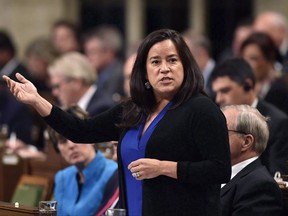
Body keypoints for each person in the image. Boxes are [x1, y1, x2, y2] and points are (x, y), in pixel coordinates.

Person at [3, 28, 231, 216]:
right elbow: (81, 131)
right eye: (155, 62)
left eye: (172, 60)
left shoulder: (201, 109)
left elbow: (220, 170)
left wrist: (164, 168)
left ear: (185, 66)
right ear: (144, 72)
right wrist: (37, 101)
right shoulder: (133, 108)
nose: (165, 69)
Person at [211, 58, 288, 175]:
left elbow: (277, 176)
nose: (218, 99)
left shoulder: (278, 123)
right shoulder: (218, 118)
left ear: (248, 85)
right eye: (216, 92)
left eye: (225, 91)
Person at [47, 106, 118, 216]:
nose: (71, 145)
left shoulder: (114, 174)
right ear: (57, 149)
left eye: (75, 138)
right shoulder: (62, 177)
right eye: (63, 141)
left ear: (91, 138)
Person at [220, 104, 284, 216]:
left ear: (246, 142)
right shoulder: (215, 173)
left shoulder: (260, 186)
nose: (213, 136)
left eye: (221, 130)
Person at [48, 52, 114, 116]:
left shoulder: (102, 109)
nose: (54, 93)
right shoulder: (70, 109)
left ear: (77, 82)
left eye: (57, 86)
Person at [240, 32, 288, 115]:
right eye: (244, 59)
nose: (247, 64)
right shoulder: (243, 86)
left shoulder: (281, 88)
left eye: (253, 59)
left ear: (269, 59)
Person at [82, 25, 125, 103]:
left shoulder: (119, 75)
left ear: (109, 52)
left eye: (92, 52)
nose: (88, 57)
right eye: (87, 52)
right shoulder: (97, 74)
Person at [182, 29, 215, 96]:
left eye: (185, 55)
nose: (182, 61)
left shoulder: (221, 77)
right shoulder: (189, 80)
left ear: (202, 54)